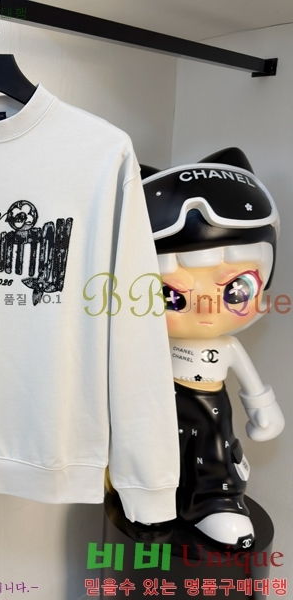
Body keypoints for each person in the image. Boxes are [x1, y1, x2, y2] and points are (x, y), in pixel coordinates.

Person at [141, 148, 285, 548]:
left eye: (236, 289)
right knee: (152, 451)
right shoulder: (149, 344)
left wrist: (263, 409)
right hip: (161, 405)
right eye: (172, 295)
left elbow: (251, 383)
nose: (206, 309)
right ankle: (150, 495)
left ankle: (215, 501)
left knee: (213, 453)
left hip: (210, 411)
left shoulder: (228, 346)